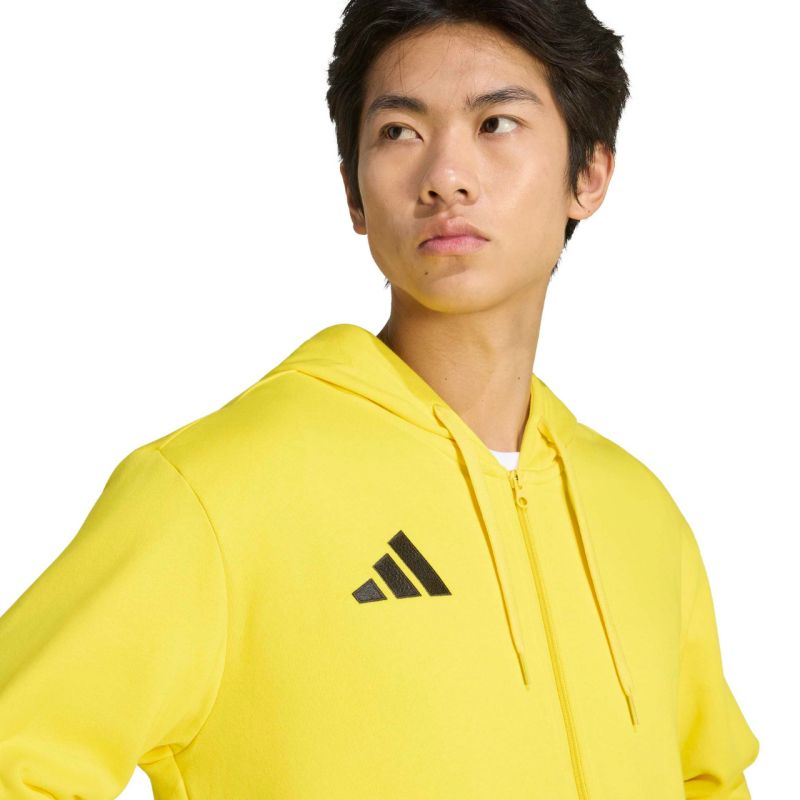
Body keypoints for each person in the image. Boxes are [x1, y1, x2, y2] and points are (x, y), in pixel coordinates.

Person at [0, 1, 759, 798]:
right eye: (399, 131)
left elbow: (711, 781)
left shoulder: (642, 514)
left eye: (496, 124)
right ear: (354, 194)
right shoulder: (219, 491)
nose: (446, 177)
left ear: (590, 174)